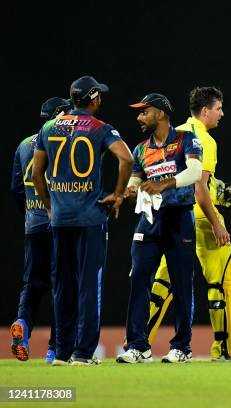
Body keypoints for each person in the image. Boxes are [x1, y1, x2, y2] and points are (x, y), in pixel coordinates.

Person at [145, 87, 231, 362]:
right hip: (201, 218)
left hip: (170, 215)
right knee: (224, 281)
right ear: (205, 111)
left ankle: (137, 342)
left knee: (162, 282)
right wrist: (217, 224)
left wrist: (219, 189)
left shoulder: (172, 133)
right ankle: (226, 350)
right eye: (218, 108)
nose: (222, 113)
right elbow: (200, 188)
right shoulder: (205, 139)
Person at [31, 76, 134, 366]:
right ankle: (83, 353)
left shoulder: (49, 127)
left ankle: (61, 353)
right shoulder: (101, 128)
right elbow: (126, 159)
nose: (101, 99)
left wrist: (51, 207)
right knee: (88, 285)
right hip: (90, 218)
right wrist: (116, 195)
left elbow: (38, 173)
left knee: (63, 285)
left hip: (60, 219)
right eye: (99, 94)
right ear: (92, 98)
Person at [116, 93, 202, 364]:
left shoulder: (186, 139)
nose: (140, 118)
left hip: (179, 219)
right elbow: (135, 180)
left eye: (145, 112)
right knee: (139, 279)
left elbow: (195, 172)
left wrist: (164, 184)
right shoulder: (140, 149)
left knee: (181, 284)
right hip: (149, 220)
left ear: (162, 114)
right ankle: (138, 346)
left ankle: (182, 347)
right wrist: (126, 193)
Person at [10, 97, 71, 363]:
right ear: (58, 116)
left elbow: (16, 189)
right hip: (58, 224)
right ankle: (54, 349)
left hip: (33, 225)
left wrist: (29, 211)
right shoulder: (64, 144)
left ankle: (22, 324)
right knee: (62, 286)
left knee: (31, 285)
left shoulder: (24, 145)